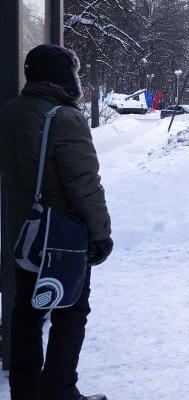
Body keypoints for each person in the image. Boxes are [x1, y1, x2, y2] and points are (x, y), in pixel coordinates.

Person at [0, 45, 113, 400]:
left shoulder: (10, 113)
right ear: (64, 77)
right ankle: (60, 390)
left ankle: (25, 391)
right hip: (63, 238)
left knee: (26, 313)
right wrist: (101, 234)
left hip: (23, 234)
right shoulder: (64, 118)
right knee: (72, 310)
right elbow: (84, 184)